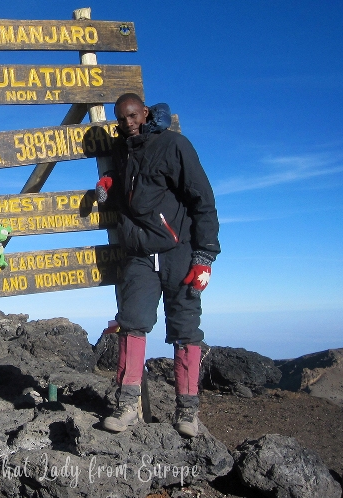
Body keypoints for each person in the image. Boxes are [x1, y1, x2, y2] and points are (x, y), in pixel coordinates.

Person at [95, 94, 220, 438]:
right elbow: (135, 199)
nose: (128, 123)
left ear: (145, 112)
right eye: (121, 119)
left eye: (132, 116)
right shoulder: (123, 151)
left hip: (179, 252)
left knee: (185, 329)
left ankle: (188, 412)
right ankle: (127, 407)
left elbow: (203, 200)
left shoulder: (174, 145)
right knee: (131, 323)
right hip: (138, 255)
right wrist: (110, 185)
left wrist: (205, 256)